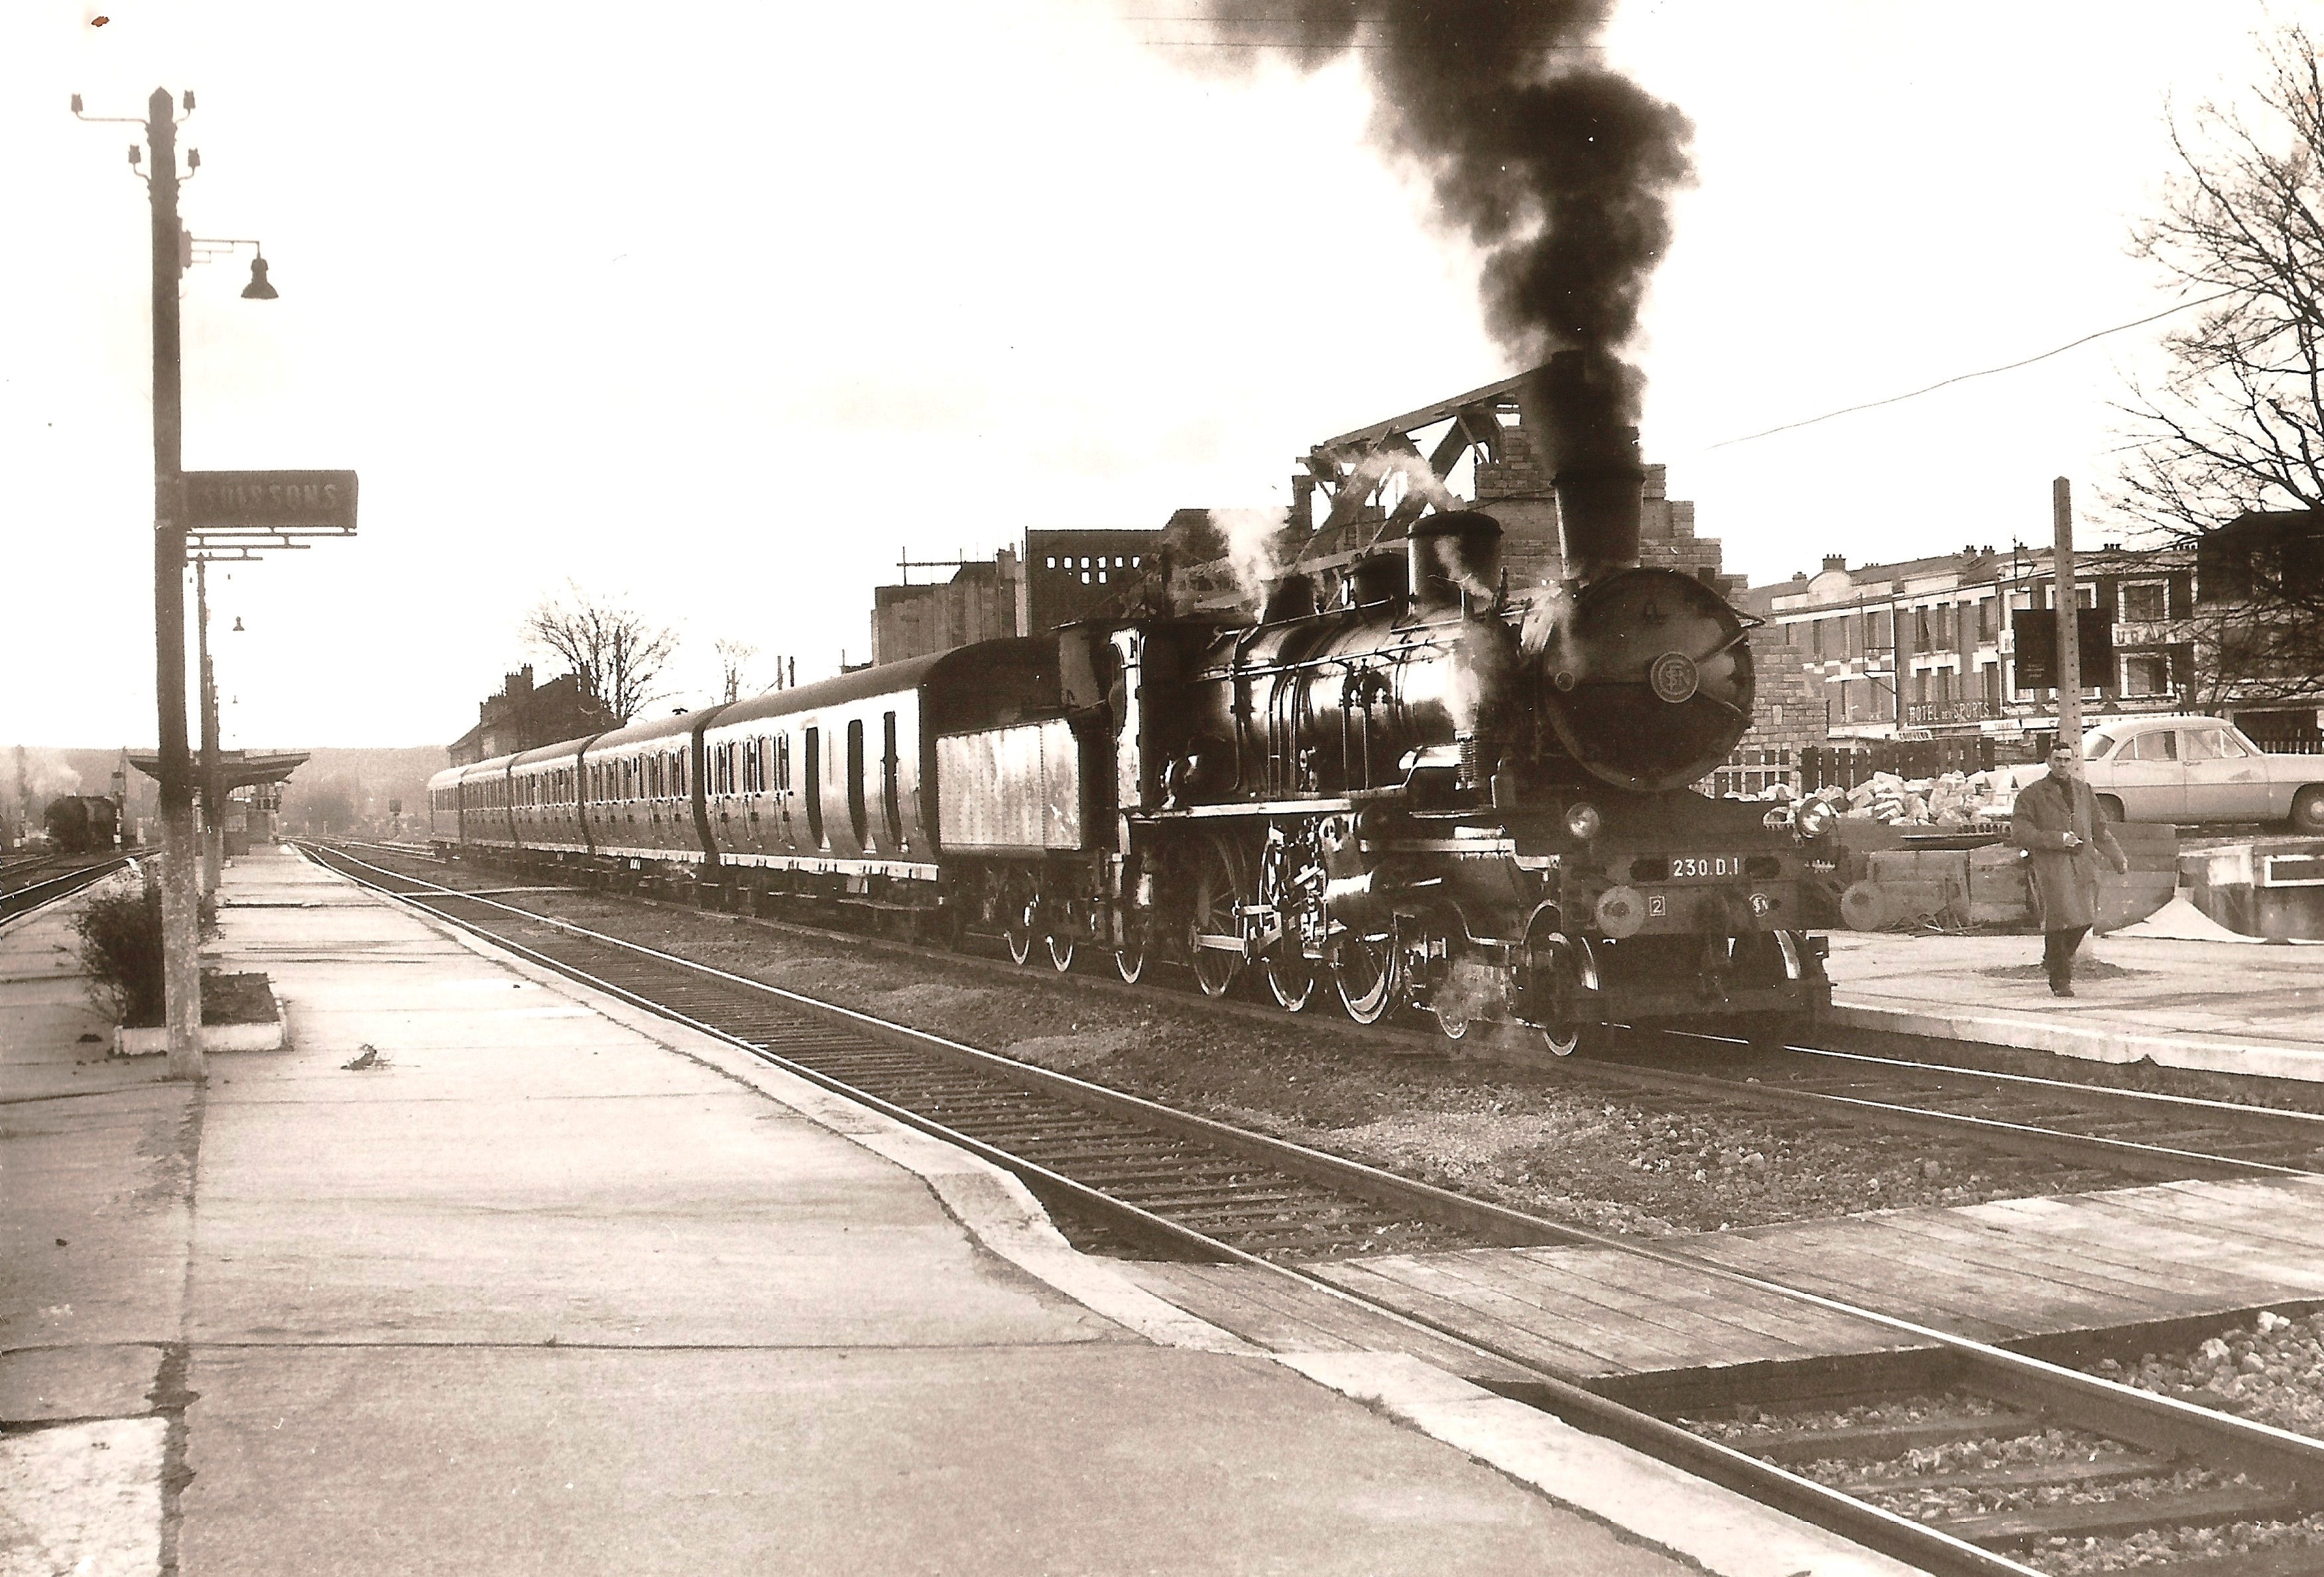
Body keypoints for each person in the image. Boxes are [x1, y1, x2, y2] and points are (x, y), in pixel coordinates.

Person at [2012, 741, 2130, 996]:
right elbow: (2021, 832)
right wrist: (2058, 839)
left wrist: (2117, 857)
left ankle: (2054, 959)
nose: (2062, 765)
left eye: (2067, 760)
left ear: (2073, 761)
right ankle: (2061, 980)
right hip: (2053, 865)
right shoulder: (2032, 794)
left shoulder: (2084, 791)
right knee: (2060, 920)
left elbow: (2100, 829)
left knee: (2086, 918)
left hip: (2084, 863)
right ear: (2048, 761)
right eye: (2058, 760)